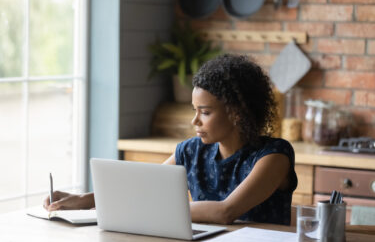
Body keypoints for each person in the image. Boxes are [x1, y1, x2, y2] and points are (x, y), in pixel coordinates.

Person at [44, 54, 297, 225]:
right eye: (194, 110)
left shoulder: (274, 156)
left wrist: (141, 211)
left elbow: (225, 211)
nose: (194, 121)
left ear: (237, 113)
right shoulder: (191, 151)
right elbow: (143, 187)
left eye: (206, 112)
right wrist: (83, 199)